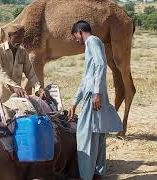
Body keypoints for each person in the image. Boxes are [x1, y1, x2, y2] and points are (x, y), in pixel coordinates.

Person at [68, 20, 123, 180]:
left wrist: (96, 93)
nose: (76, 40)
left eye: (76, 37)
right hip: (93, 94)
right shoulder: (93, 43)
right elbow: (87, 78)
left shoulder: (92, 41)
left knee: (85, 136)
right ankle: (97, 173)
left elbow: (100, 65)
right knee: (97, 133)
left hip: (93, 96)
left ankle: (86, 176)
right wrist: (74, 102)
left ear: (79, 32)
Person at [0, 24, 44, 102]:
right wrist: (14, 86)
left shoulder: (22, 52)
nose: (19, 41)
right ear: (9, 36)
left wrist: (38, 88)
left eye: (21, 37)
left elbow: (30, 72)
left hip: (15, 97)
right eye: (17, 37)